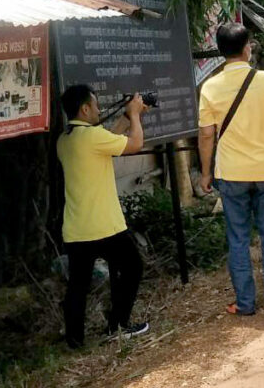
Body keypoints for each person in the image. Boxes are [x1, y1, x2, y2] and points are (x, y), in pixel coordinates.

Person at [198, 23, 264, 316]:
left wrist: (205, 172)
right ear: (247, 47)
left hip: (231, 174)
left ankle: (245, 303)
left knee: (237, 239)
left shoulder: (210, 86)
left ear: (221, 52)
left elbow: (206, 134)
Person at [57, 84, 151, 347]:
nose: (99, 109)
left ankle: (74, 340)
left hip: (76, 229)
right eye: (96, 105)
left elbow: (106, 140)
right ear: (85, 108)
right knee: (132, 268)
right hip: (105, 226)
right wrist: (134, 116)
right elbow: (135, 144)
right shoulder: (92, 138)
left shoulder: (65, 140)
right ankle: (118, 325)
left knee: (78, 285)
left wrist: (126, 117)